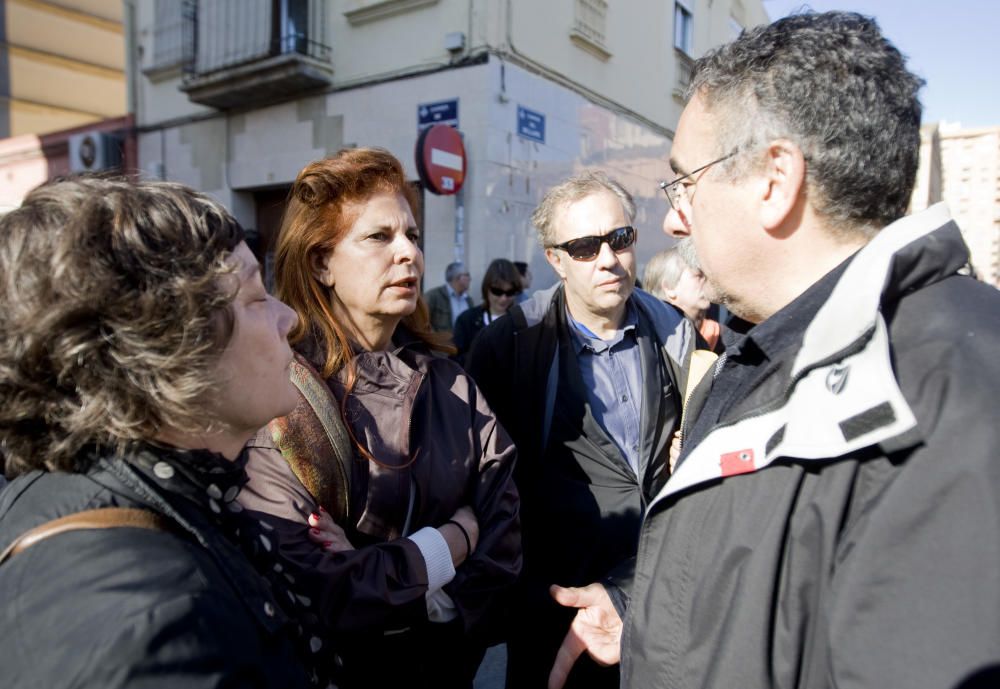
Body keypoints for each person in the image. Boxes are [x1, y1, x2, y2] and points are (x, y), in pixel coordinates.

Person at [548, 11, 1000, 689]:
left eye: (684, 183)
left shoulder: (950, 405)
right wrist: (643, 607)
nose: (674, 219)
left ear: (774, 179)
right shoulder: (766, 349)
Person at [0, 177, 315, 687]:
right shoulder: (155, 633)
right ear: (169, 345)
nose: (290, 318)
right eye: (258, 297)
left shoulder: (71, 488)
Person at [237, 148, 521, 689]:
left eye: (413, 236)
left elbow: (504, 545)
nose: (408, 254)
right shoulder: (279, 394)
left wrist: (415, 602)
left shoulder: (451, 384)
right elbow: (321, 589)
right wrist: (451, 543)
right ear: (321, 262)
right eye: (378, 237)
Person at [466, 171, 695, 689]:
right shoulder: (512, 345)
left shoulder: (677, 332)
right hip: (556, 611)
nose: (609, 259)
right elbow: (478, 482)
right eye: (586, 247)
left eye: (619, 239)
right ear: (556, 260)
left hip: (655, 599)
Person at [643, 246, 722, 351]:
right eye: (699, 276)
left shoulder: (722, 337)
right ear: (669, 288)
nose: (708, 281)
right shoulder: (647, 342)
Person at [453, 258, 522, 362]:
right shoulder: (466, 320)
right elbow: (454, 361)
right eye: (497, 291)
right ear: (486, 289)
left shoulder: (522, 322)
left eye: (510, 292)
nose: (503, 298)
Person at [424, 260, 473, 333]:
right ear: (458, 277)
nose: (470, 279)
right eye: (467, 275)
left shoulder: (468, 300)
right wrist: (436, 340)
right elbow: (422, 321)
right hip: (441, 343)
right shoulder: (434, 296)